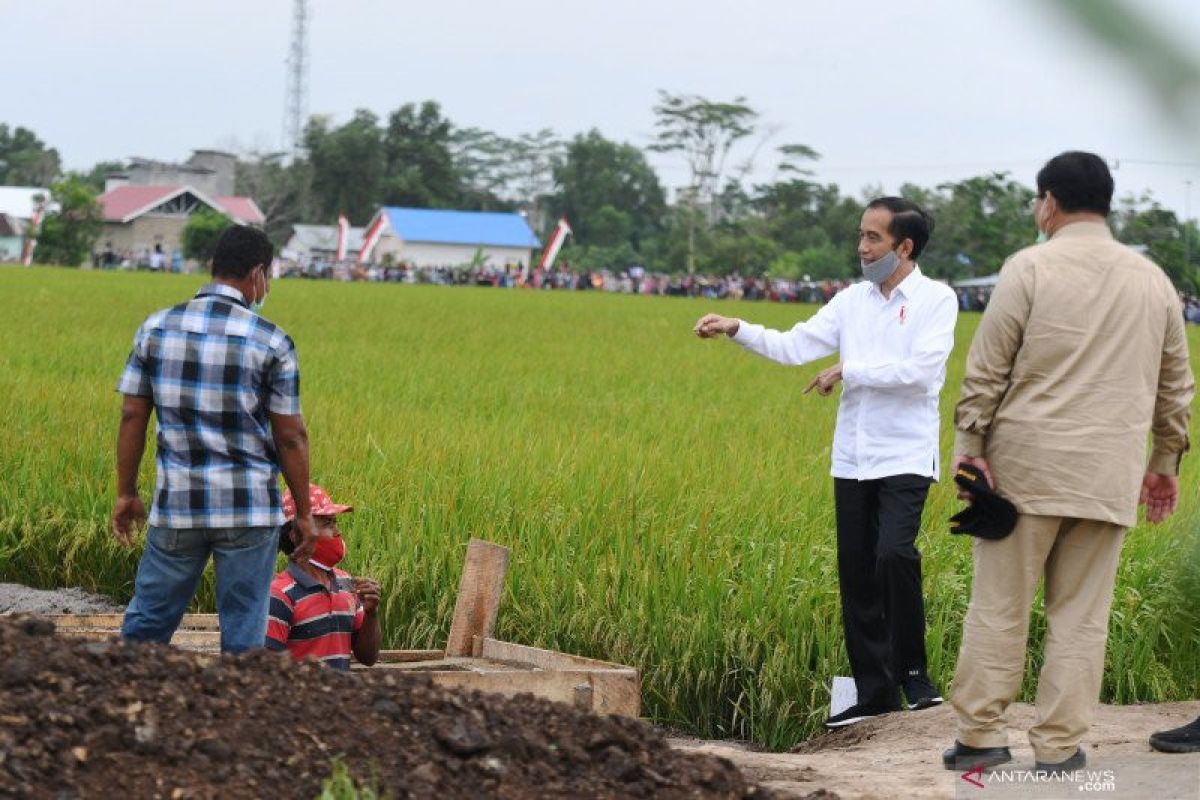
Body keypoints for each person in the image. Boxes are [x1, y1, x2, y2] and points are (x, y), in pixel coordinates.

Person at [943, 151, 1194, 773]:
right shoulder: (1154, 281)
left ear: (1049, 202)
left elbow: (987, 370)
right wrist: (1165, 460)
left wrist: (970, 450)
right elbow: (1176, 386)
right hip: (1108, 474)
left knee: (1000, 605)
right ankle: (1059, 748)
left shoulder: (1028, 268)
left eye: (1037, 202)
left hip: (1022, 471)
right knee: (1081, 617)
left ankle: (981, 737)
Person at [694, 197, 958, 728]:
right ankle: (876, 692)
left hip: (904, 453)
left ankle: (914, 674)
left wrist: (849, 370)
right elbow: (794, 346)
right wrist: (737, 327)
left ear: (903, 247)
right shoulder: (850, 302)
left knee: (893, 556)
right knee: (857, 574)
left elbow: (922, 373)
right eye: (860, 236)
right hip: (853, 457)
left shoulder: (936, 299)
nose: (862, 247)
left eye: (873, 238)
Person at [112, 224, 317, 653]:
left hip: (177, 504)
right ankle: (237, 715)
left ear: (212, 267)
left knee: (148, 620)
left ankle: (119, 701)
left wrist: (126, 492)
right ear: (258, 274)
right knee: (244, 630)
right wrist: (302, 511)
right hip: (248, 509)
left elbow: (133, 413)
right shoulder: (272, 341)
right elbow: (291, 436)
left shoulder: (156, 328)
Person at [265, 484, 381, 669]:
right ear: (297, 534)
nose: (337, 532)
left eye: (335, 522)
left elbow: (368, 658)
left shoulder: (346, 583)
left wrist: (371, 613)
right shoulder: (280, 595)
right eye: (328, 524)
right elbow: (269, 670)